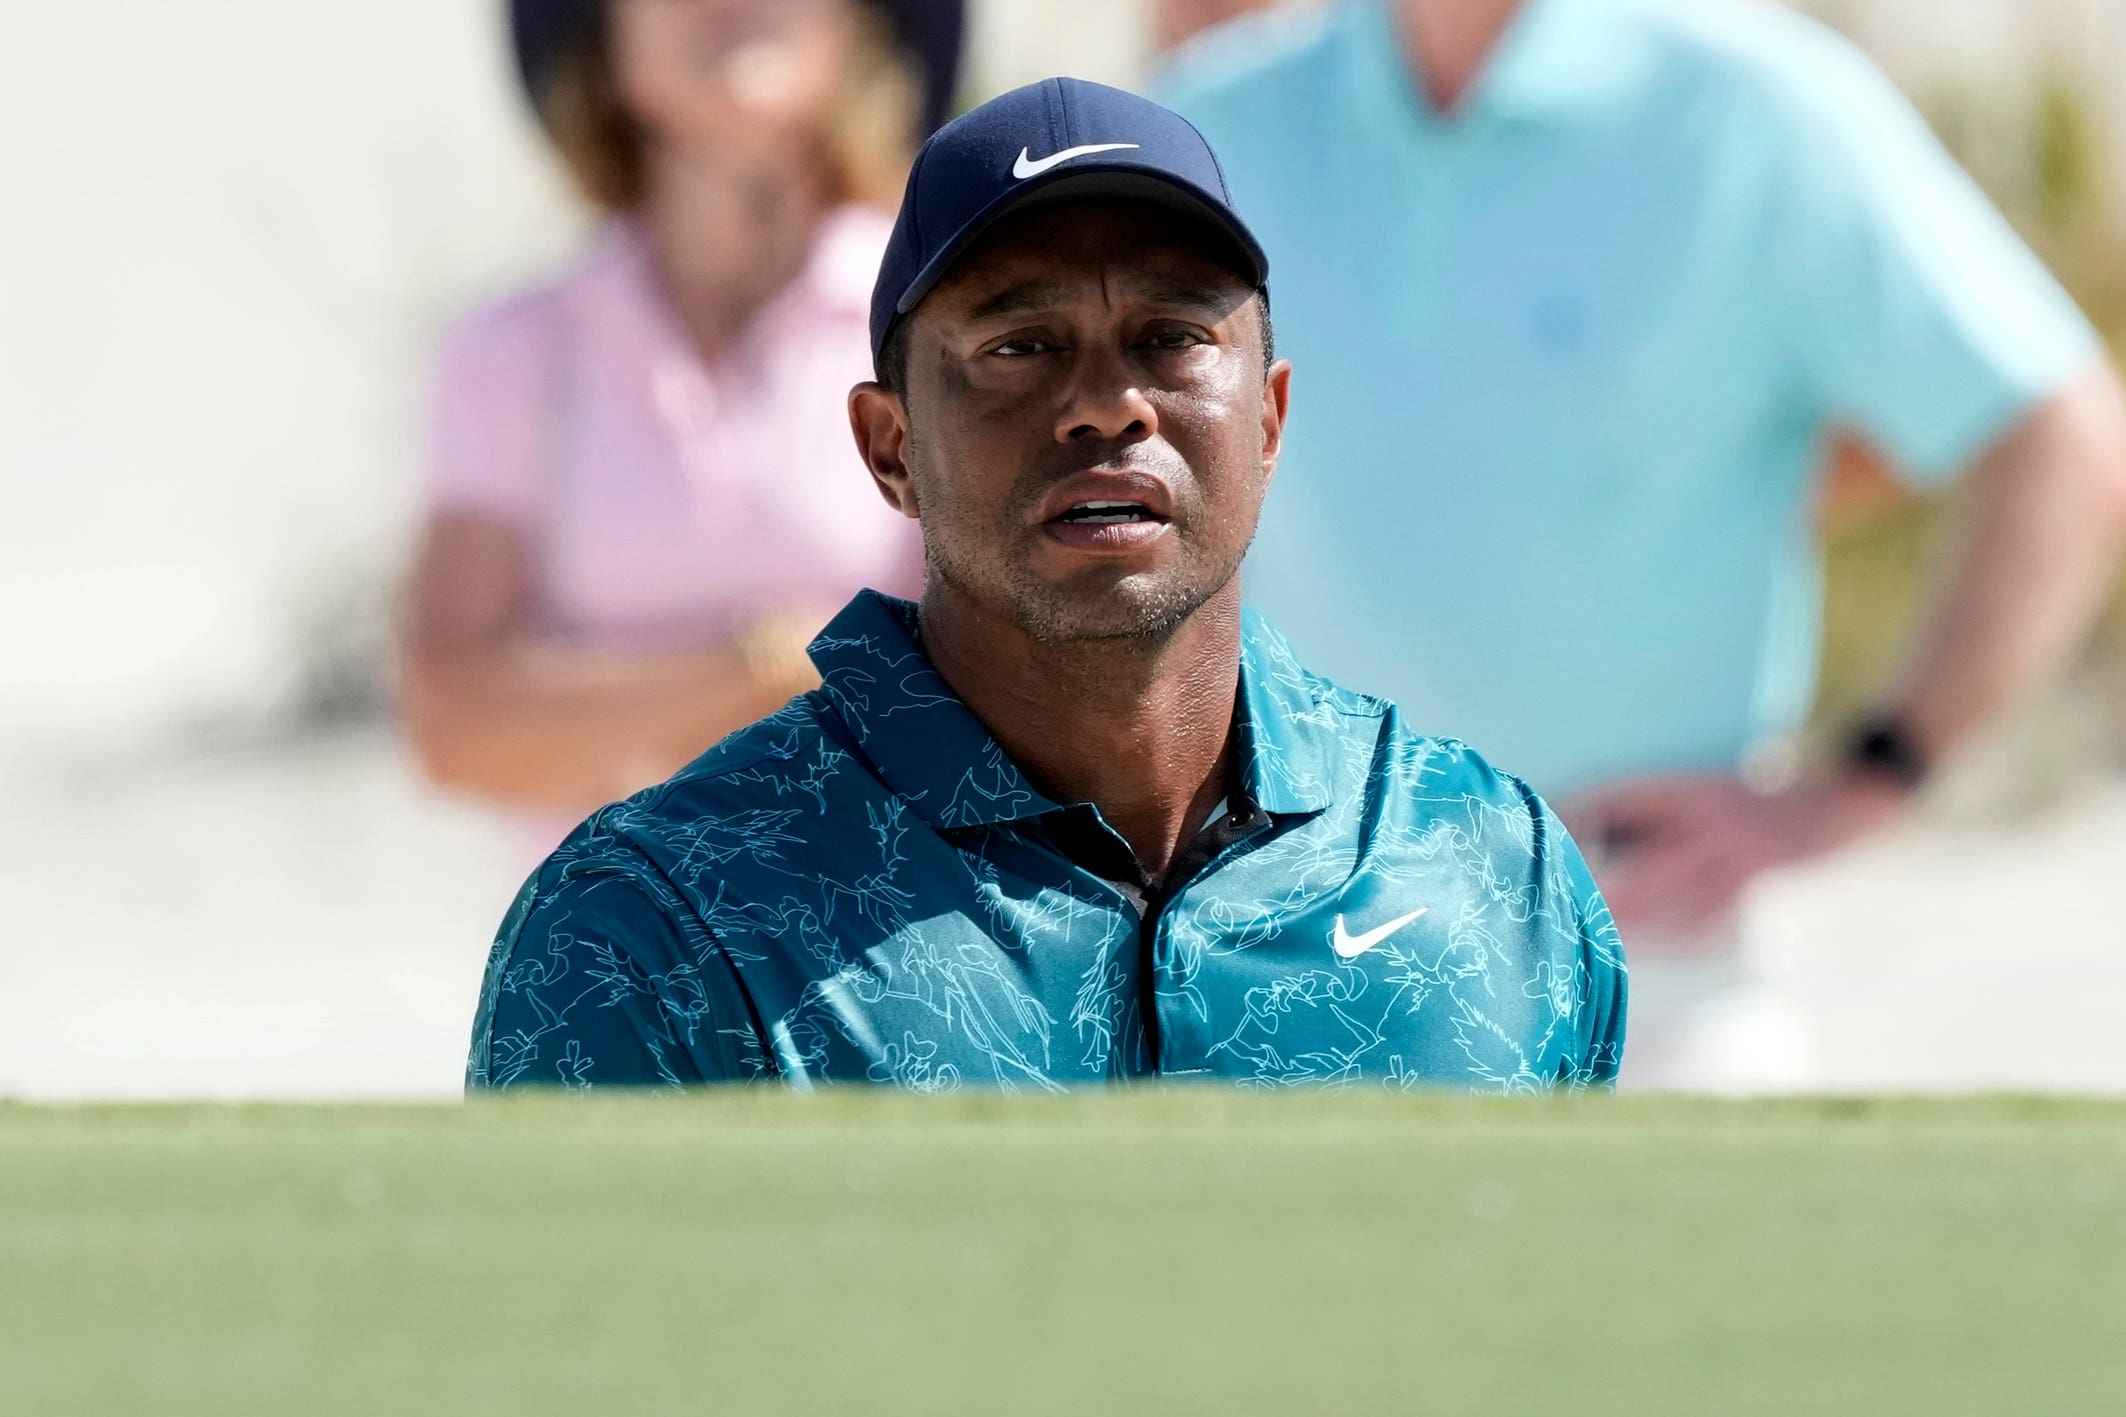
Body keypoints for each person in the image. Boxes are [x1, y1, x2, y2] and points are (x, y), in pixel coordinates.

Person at [465, 79, 1627, 1092]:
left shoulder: (1487, 860)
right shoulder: (653, 930)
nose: (1105, 403)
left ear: (1266, 421)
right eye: (1018, 346)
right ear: (890, 448)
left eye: (1171, 337)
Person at [1158, 0, 2126, 1088]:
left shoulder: (1755, 109)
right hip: (1275, 978)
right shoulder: (1212, 122)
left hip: (1645, 973)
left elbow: (2059, 435)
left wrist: (1868, 778)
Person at [399, 0, 963, 839]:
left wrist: (603, 712)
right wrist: (774, 662)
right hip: (603, 962)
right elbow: (453, 725)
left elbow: (1013, 701)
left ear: (862, 25)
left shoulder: (954, 328)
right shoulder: (514, 351)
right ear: (601, 36)